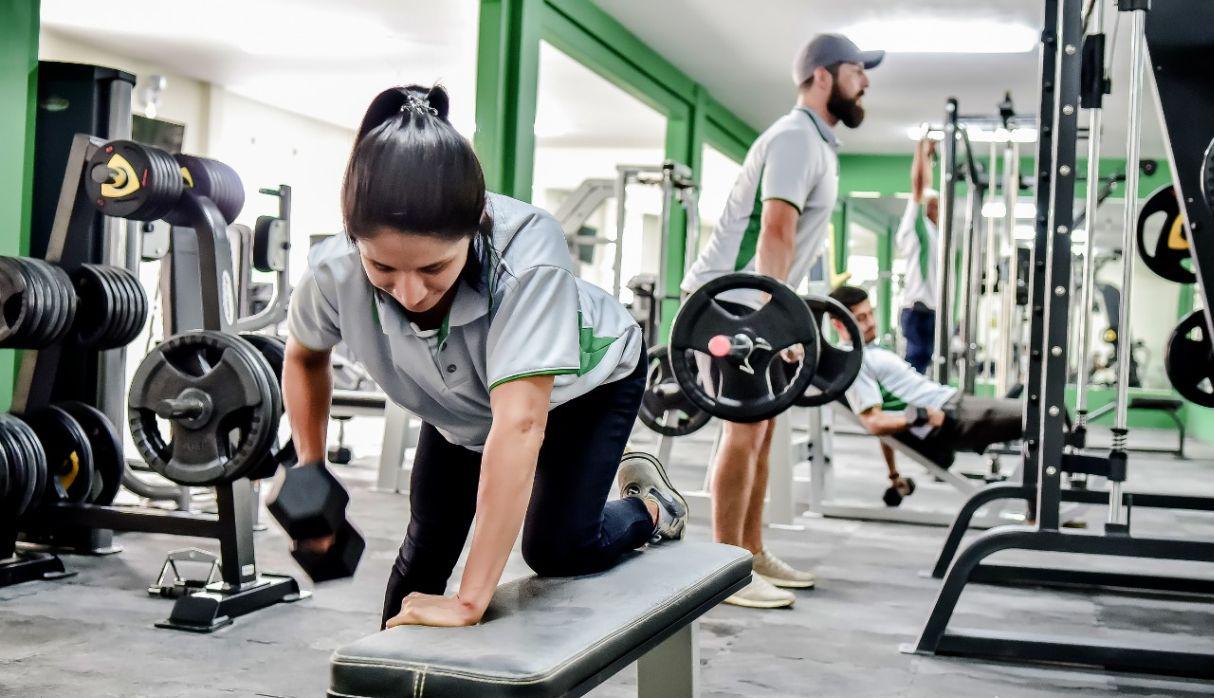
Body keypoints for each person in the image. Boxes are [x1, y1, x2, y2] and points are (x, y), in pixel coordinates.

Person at [283, 85, 688, 630]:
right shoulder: (332, 270)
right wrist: (311, 471)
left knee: (557, 549)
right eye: (382, 269)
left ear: (474, 225)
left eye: (433, 269)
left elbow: (520, 424)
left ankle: (654, 507)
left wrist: (471, 601)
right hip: (467, 400)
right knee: (427, 544)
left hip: (586, 385)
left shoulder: (526, 259)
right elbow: (305, 357)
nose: (408, 293)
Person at [679, 34, 884, 609]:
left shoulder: (817, 142)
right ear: (822, 76)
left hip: (752, 298)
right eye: (856, 71)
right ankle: (722, 571)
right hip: (731, 302)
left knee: (764, 428)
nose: (865, 81)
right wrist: (777, 317)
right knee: (744, 428)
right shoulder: (796, 137)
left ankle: (749, 553)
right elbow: (776, 230)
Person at [827, 285, 1023, 497]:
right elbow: (874, 422)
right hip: (950, 416)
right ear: (838, 324)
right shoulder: (853, 362)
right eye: (861, 318)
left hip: (952, 404)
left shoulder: (870, 351)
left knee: (1043, 417)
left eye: (871, 314)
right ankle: (1040, 518)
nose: (871, 323)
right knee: (1045, 418)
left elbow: (885, 422)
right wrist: (922, 417)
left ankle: (1041, 513)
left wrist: (893, 475)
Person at [896, 137, 940, 374]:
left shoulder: (934, 233)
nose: (938, 208)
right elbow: (919, 185)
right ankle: (907, 409)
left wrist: (929, 158)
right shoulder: (915, 225)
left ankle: (918, 409)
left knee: (923, 364)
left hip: (930, 309)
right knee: (915, 364)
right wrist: (920, 149)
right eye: (934, 205)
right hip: (917, 309)